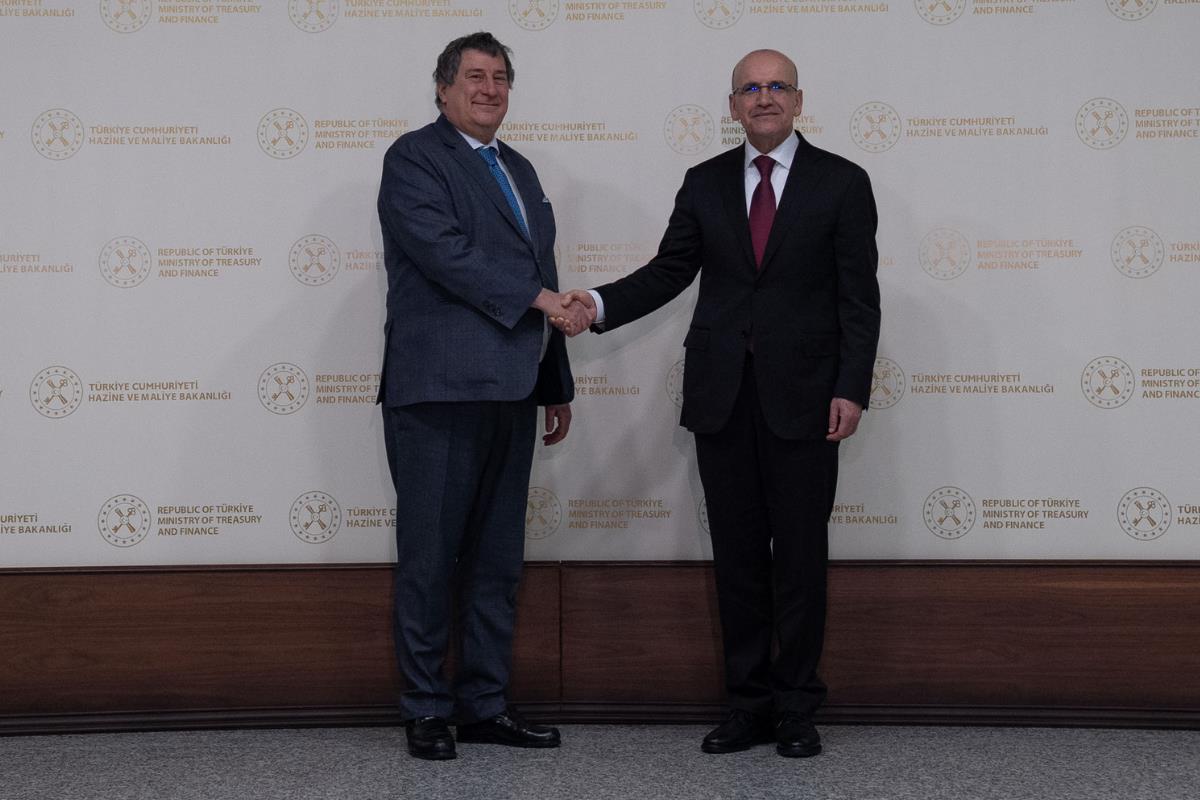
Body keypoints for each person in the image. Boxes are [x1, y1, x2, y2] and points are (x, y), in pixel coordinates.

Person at [563, 49, 880, 758]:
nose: (764, 97)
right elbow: (670, 271)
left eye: (777, 86)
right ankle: (748, 707)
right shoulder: (704, 182)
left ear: (798, 99)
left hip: (807, 402)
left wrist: (851, 387)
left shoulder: (842, 182)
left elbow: (860, 299)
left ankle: (796, 710)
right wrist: (598, 304)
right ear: (732, 105)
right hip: (722, 399)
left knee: (800, 560)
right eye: (750, 88)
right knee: (737, 560)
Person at [376, 31, 590, 761]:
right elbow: (448, 255)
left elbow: (543, 269)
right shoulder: (414, 158)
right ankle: (426, 708)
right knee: (431, 557)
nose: (489, 89)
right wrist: (544, 300)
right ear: (443, 89)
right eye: (474, 76)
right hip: (438, 392)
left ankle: (484, 705)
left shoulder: (518, 168)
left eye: (500, 77)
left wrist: (555, 383)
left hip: (514, 389)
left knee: (498, 562)